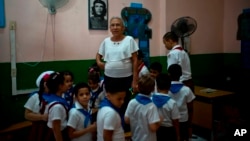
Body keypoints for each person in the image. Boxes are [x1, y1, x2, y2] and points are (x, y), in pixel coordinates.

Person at [96, 16, 139, 131]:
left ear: (123, 27)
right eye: (113, 25)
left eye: (118, 25)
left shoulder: (129, 40)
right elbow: (98, 55)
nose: (115, 27)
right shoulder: (106, 41)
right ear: (110, 28)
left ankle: (123, 128)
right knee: (111, 100)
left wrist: (135, 80)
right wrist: (99, 62)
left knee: (124, 102)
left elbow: (135, 60)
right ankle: (111, 125)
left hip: (126, 78)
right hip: (109, 78)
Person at [124, 74, 161, 141]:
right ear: (153, 89)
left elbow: (127, 120)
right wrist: (159, 122)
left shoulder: (132, 102)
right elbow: (153, 128)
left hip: (134, 138)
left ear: (138, 87)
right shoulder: (151, 106)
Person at [167, 64, 196, 141]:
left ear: (168, 74)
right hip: (183, 121)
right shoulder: (187, 90)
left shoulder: (165, 90)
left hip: (169, 121)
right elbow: (190, 109)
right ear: (181, 74)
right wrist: (190, 125)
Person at [24, 70, 54, 141]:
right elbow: (27, 115)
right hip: (39, 129)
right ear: (44, 84)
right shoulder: (35, 96)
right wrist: (42, 117)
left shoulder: (57, 96)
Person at [152, 73, 180, 141]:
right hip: (169, 131)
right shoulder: (172, 103)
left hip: (155, 129)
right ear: (169, 87)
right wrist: (178, 135)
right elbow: (175, 121)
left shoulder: (150, 100)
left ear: (157, 87)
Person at [44, 72, 72, 141]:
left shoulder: (57, 99)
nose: (68, 85)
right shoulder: (57, 106)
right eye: (65, 82)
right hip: (58, 135)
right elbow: (56, 128)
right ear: (60, 86)